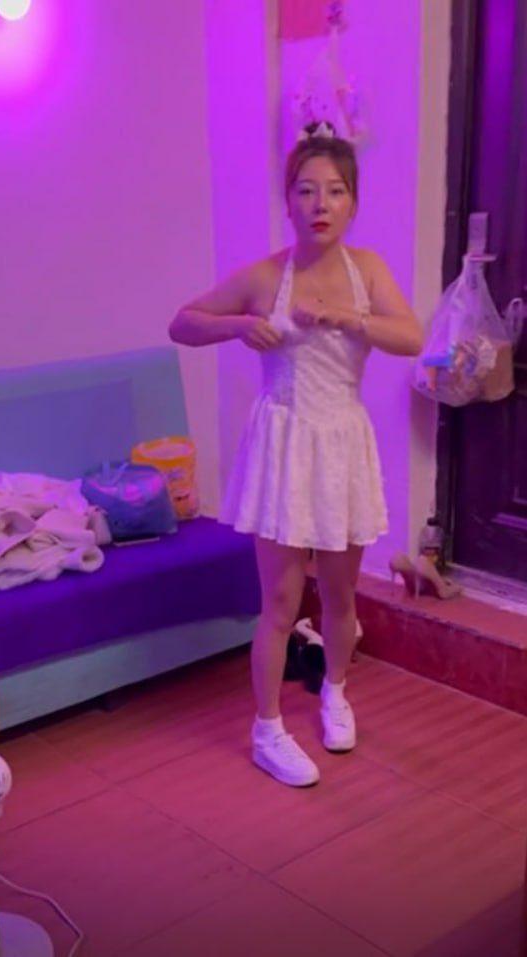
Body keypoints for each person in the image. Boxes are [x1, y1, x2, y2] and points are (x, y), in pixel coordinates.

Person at [169, 123, 423, 787]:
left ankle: (335, 691)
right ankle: (267, 730)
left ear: (352, 201)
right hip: (283, 444)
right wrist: (238, 325)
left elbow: (411, 336)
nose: (320, 203)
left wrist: (346, 319)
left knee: (339, 594)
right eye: (306, 190)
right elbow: (183, 322)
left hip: (341, 443)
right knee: (281, 601)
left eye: (334, 191)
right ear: (287, 200)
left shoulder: (367, 270)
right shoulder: (265, 275)